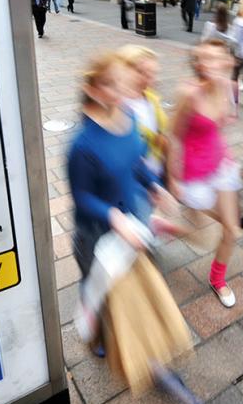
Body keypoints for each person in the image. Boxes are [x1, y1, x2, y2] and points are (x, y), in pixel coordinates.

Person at [68, 51, 175, 274]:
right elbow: (82, 197)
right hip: (96, 234)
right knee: (101, 297)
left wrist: (154, 185)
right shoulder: (82, 145)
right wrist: (113, 217)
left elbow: (136, 162)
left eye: (121, 81)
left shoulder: (130, 117)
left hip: (128, 220)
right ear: (92, 91)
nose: (118, 89)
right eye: (109, 84)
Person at [168, 40, 242, 307]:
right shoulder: (189, 94)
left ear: (228, 61)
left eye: (217, 58)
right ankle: (166, 225)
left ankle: (217, 279)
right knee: (202, 236)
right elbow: (173, 136)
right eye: (205, 59)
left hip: (220, 165)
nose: (211, 65)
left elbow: (220, 126)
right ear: (198, 64)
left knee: (233, 230)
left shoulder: (229, 89)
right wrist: (172, 178)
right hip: (193, 174)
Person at [117, 45, 169, 181]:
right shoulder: (116, 107)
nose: (152, 79)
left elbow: (161, 135)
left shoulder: (151, 96)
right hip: (133, 181)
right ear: (122, 71)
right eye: (142, 72)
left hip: (157, 170)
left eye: (153, 73)